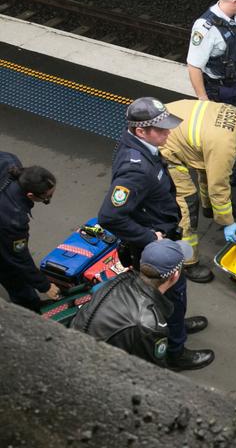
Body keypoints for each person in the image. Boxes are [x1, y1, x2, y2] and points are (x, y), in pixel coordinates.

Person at [98, 97, 214, 370]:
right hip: (153, 248)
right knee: (170, 294)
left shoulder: (140, 147)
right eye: (161, 129)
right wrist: (151, 238)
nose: (168, 133)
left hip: (159, 236)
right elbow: (109, 216)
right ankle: (175, 351)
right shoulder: (135, 168)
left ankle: (176, 324)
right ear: (141, 131)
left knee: (171, 297)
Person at [160, 99, 236, 281]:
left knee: (208, 171)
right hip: (167, 148)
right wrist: (226, 222)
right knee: (187, 205)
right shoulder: (224, 143)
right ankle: (188, 263)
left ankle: (209, 208)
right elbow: (218, 186)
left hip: (173, 126)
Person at [71, 239, 212, 369]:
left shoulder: (121, 280)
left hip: (78, 346)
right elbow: (150, 369)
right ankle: (176, 359)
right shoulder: (149, 324)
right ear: (175, 275)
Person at [0, 153, 60, 313]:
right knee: (11, 272)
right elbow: (18, 257)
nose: (48, 200)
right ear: (30, 196)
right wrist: (44, 285)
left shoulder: (8, 161)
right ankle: (29, 309)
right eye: (47, 198)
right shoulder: (14, 219)